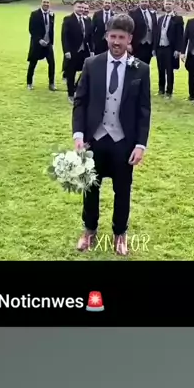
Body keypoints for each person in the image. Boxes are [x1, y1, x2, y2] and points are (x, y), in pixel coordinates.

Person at [72, 13, 151, 256]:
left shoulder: (141, 69)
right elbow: (80, 102)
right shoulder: (91, 64)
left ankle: (120, 234)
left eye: (121, 37)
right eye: (113, 36)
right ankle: (89, 230)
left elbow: (144, 110)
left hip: (123, 142)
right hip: (94, 140)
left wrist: (140, 145)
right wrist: (78, 134)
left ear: (130, 39)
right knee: (90, 187)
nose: (116, 42)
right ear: (106, 36)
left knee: (123, 190)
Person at [61, 0, 92, 102]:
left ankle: (76, 87)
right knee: (71, 73)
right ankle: (70, 94)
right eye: (79, 7)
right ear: (74, 7)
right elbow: (64, 36)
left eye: (83, 7)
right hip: (72, 51)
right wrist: (66, 51)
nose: (81, 9)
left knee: (87, 70)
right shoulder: (68, 19)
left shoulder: (87, 20)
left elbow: (89, 36)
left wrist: (92, 50)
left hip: (84, 51)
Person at [155, 0, 184, 98]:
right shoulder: (160, 19)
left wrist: (178, 49)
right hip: (160, 48)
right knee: (160, 69)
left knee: (169, 70)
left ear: (173, 5)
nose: (168, 5)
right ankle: (161, 89)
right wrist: (154, 48)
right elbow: (157, 34)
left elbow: (180, 36)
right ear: (163, 5)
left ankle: (169, 91)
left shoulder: (178, 19)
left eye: (170, 4)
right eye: (166, 4)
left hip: (170, 49)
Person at [26, 0, 56, 91]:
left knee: (52, 63)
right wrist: (39, 40)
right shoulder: (35, 14)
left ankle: (51, 84)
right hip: (37, 44)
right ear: (41, 3)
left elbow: (51, 29)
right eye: (44, 2)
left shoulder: (52, 15)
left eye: (47, 2)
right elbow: (31, 29)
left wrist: (50, 41)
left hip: (48, 44)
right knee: (33, 63)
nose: (46, 4)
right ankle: (29, 83)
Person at [129, 0, 158, 65]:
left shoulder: (152, 14)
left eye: (146, 1)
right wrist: (128, 43)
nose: (144, 3)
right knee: (136, 65)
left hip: (149, 44)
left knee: (147, 65)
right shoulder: (133, 13)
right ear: (139, 3)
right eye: (142, 1)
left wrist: (155, 45)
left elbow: (155, 29)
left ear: (148, 3)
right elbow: (129, 29)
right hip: (137, 44)